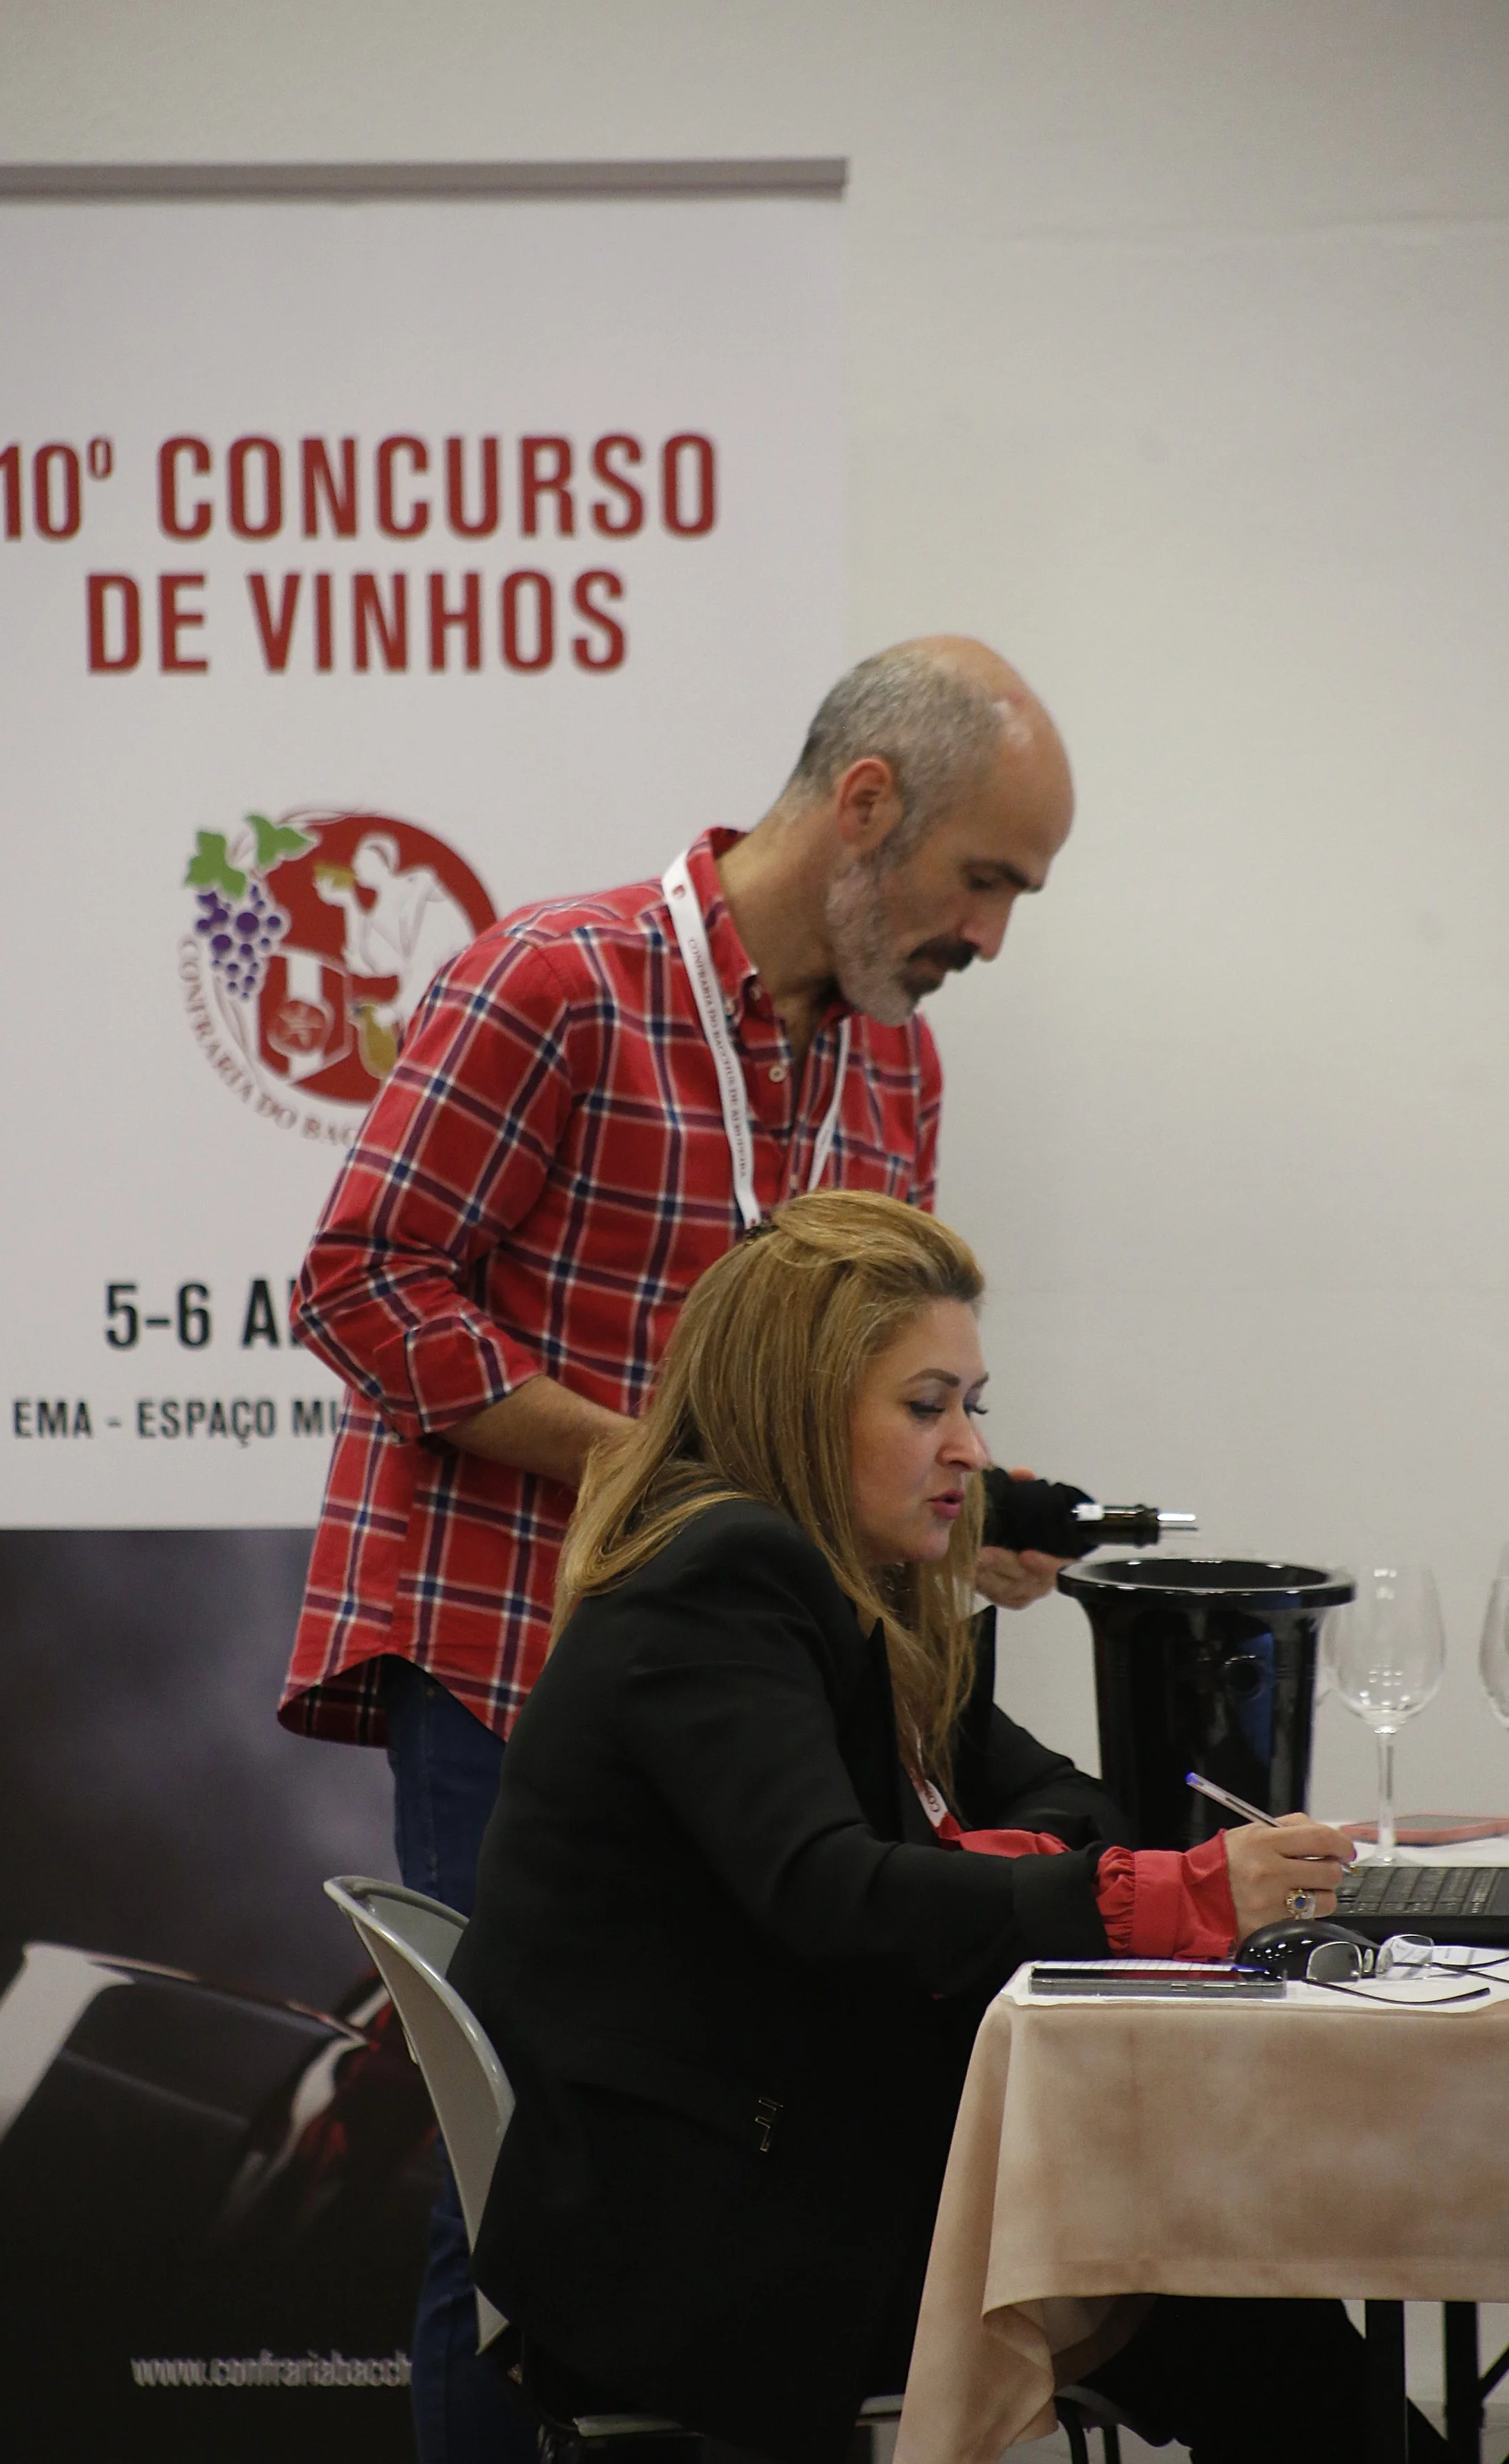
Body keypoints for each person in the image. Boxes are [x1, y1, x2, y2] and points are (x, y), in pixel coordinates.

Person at [283, 637, 1080, 2461]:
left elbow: (850, 1377)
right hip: (515, 1667)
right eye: (986, 878)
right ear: (865, 806)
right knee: (519, 2199)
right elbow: (359, 1284)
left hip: (758, 1714)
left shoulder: (897, 1066)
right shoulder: (554, 979)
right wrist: (661, 1459)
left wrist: (953, 1492)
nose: (993, 935)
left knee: (743, 2157)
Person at [447, 1194, 1433, 2464]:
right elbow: (832, 1896)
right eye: (928, 1406)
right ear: (803, 1405)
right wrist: (1152, 1893)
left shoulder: (854, 1589)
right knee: (1210, 2273)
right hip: (696, 2238)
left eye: (975, 1403)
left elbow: (1070, 1798)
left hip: (773, 2165)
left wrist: (991, 1861)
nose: (971, 1449)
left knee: (1217, 2274)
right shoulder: (723, 1578)